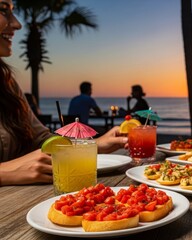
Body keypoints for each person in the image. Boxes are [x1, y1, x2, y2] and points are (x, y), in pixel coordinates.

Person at [0, 0, 127, 186]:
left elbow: (41, 140)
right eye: (3, 10)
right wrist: (6, 173)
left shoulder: (7, 84)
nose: (17, 24)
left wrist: (94, 145)